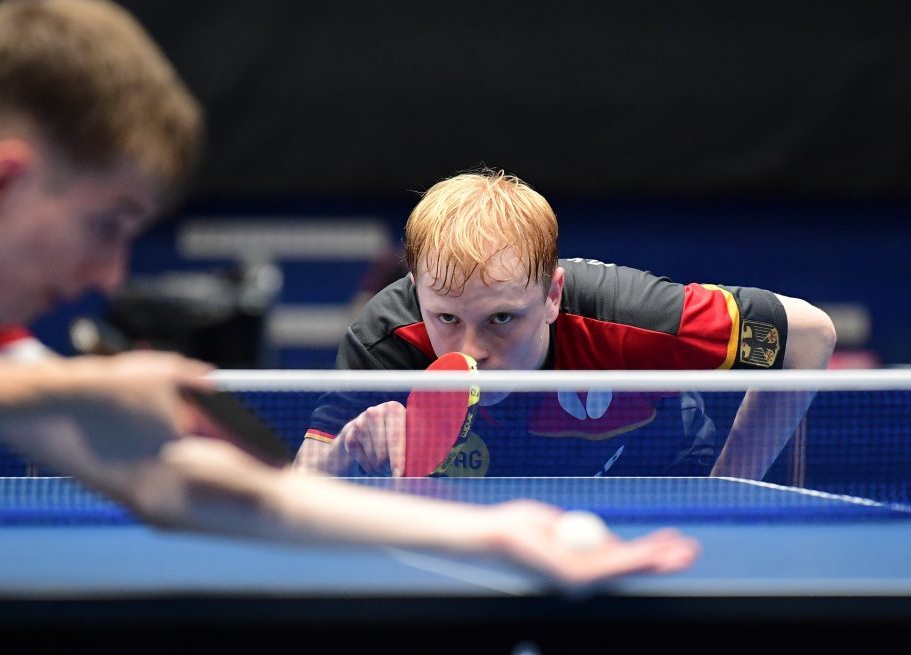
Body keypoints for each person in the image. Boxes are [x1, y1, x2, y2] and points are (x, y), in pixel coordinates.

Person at [0, 0, 699, 584]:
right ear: (4, 180)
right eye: (107, 224)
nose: (109, 276)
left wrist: (495, 534)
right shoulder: (17, 370)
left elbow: (165, 481)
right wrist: (71, 388)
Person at [294, 169, 837, 480]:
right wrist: (344, 449)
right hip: (481, 511)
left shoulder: (628, 315)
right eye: (446, 317)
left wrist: (729, 490)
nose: (471, 349)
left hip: (653, 481)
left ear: (553, 294)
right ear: (417, 293)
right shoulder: (388, 337)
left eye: (503, 317)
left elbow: (810, 335)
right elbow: (301, 482)